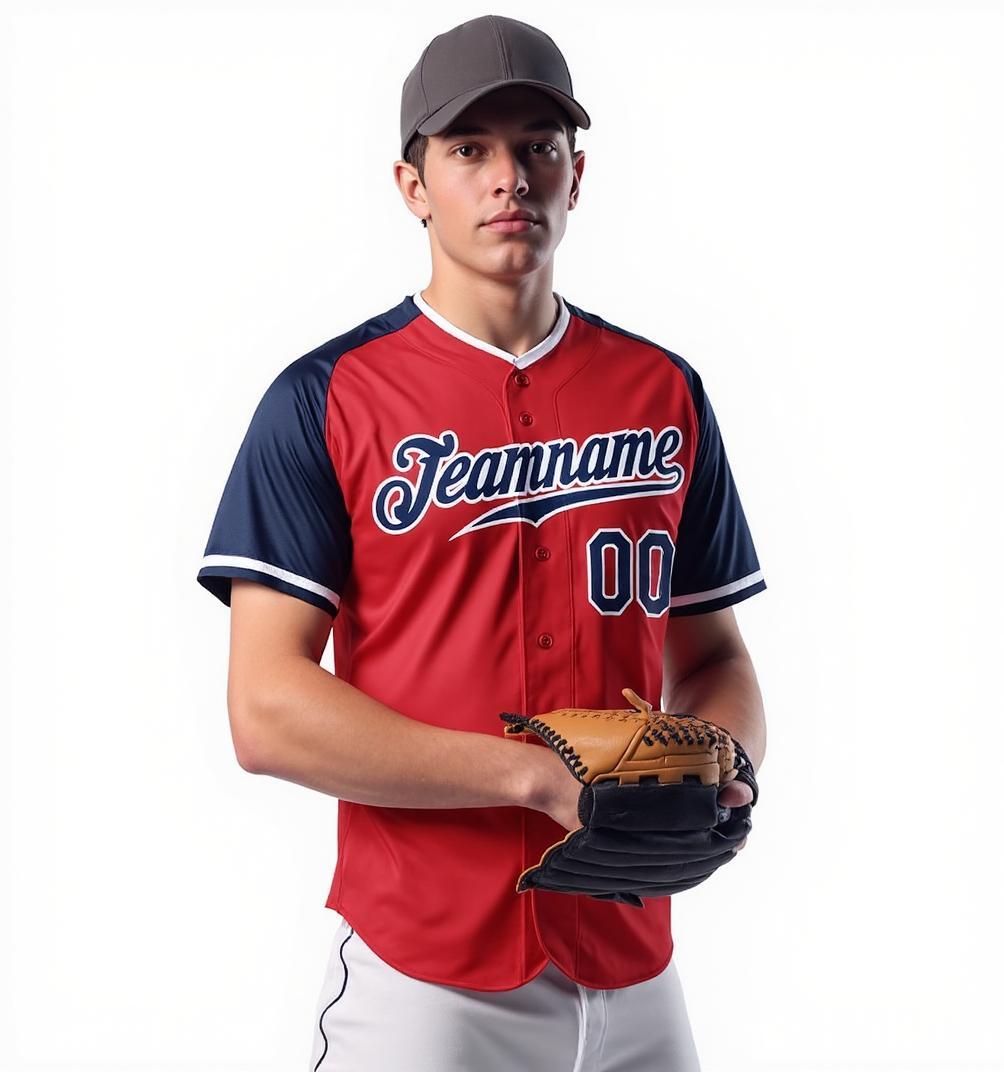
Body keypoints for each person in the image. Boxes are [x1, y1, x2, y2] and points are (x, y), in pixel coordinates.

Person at [196, 14, 767, 1071]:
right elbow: (265, 709)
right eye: (469, 149)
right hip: (427, 978)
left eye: (536, 146)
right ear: (412, 185)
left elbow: (714, 656)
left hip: (633, 961)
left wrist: (726, 762)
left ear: (576, 174)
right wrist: (530, 777)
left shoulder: (662, 390)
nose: (509, 176)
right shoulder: (326, 399)